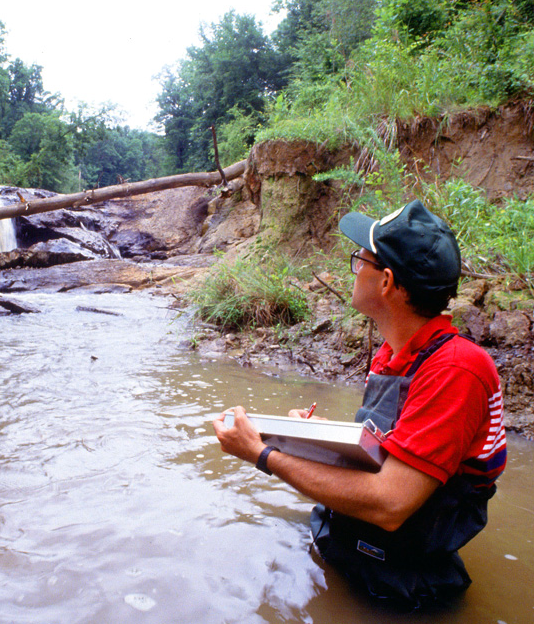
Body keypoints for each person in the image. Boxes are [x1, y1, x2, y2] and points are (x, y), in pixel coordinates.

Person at [213, 200, 506, 610]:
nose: (354, 270)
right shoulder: (396, 351)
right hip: (351, 546)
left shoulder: (457, 370)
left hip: (401, 586)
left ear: (386, 282)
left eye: (359, 261)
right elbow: (396, 444)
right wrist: (316, 436)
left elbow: (391, 504)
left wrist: (263, 455)